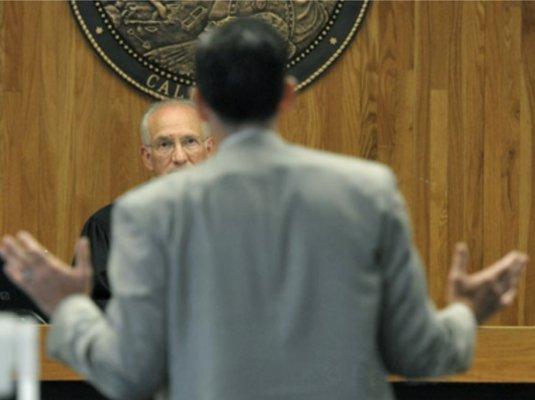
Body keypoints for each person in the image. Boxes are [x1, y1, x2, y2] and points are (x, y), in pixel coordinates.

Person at [0, 18, 528, 400]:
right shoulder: (367, 191)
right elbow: (421, 355)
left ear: (203, 107)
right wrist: (466, 311)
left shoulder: (150, 213)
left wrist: (66, 306)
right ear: (287, 96)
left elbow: (128, 375)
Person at [81, 99, 214, 307]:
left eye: (190, 141)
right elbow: (95, 315)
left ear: (209, 150)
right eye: (165, 144)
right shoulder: (108, 227)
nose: (179, 157)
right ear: (147, 157)